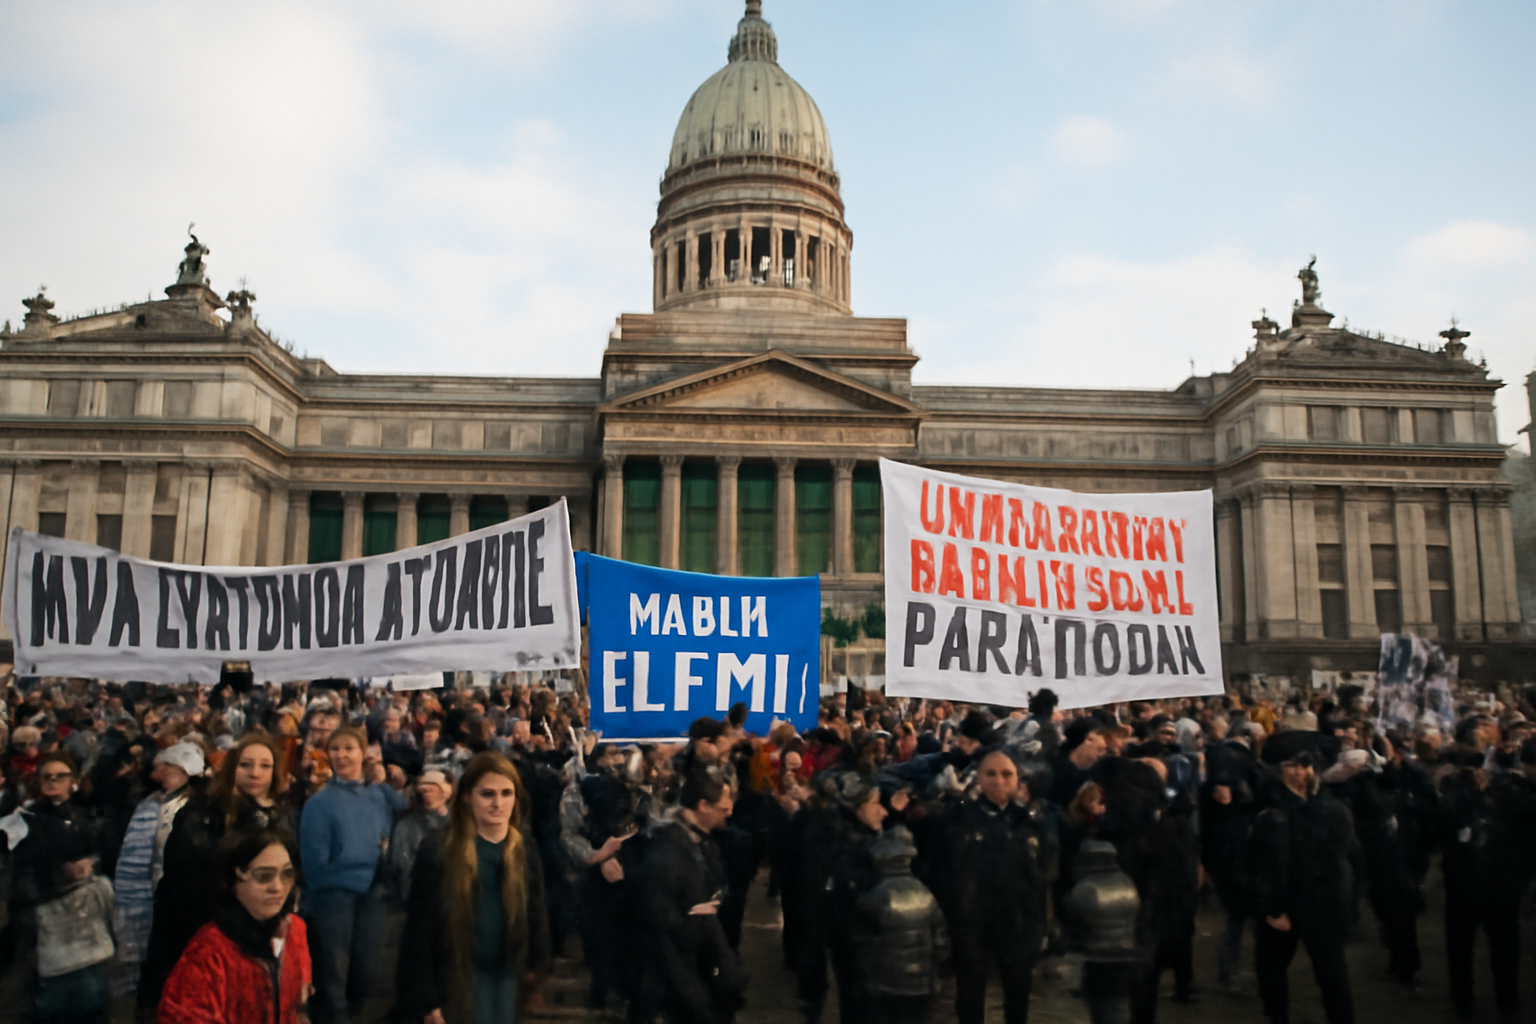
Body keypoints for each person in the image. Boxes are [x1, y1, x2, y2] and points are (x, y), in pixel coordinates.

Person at [398, 751, 551, 1024]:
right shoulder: (438, 850)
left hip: (507, 974)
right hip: (455, 975)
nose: (498, 803)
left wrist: (537, 969)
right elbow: (419, 930)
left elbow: (535, 911)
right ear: (468, 796)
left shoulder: (524, 848)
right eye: (487, 794)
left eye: (506, 793)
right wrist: (426, 999)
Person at [140, 733, 288, 1012]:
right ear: (232, 767)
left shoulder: (275, 816)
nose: (255, 773)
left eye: (265, 766)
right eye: (246, 764)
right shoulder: (202, 811)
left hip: (251, 932)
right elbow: (189, 873)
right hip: (200, 928)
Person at [929, 749, 1056, 1024]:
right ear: (979, 778)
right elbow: (941, 869)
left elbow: (1046, 873)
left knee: (1018, 994)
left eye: (1007, 774)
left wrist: (1041, 923)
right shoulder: (956, 820)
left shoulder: (1032, 822)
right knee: (970, 994)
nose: (998, 781)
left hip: (1018, 923)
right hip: (972, 922)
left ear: (1018, 780)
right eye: (991, 774)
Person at [300, 726, 406, 1024]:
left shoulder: (377, 795)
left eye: (349, 748)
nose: (342, 755)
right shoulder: (320, 803)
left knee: (367, 971)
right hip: (334, 896)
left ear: (363, 753)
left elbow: (407, 807)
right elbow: (314, 861)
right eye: (335, 749)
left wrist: (387, 781)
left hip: (374, 891)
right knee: (332, 974)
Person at [1249, 751, 1362, 1024]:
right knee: (1272, 973)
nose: (1300, 771)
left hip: (1322, 905)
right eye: (1292, 765)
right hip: (1283, 905)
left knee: (1332, 975)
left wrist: (1346, 904)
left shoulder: (1333, 809)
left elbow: (1351, 859)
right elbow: (1259, 864)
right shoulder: (1268, 810)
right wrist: (1273, 908)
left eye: (1306, 766)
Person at [158, 828, 312, 1024]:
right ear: (233, 881)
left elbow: (297, 1009)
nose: (278, 887)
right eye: (264, 876)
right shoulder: (209, 951)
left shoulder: (294, 931)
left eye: (286, 874)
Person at [631, 769, 746, 1024]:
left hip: (696, 973)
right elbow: (661, 927)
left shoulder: (700, 842)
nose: (729, 813)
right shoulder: (667, 854)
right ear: (703, 806)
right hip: (679, 987)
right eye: (723, 808)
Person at [112, 740, 203, 994]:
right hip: (147, 902)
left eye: (168, 767)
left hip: (178, 905)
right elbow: (133, 862)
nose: (159, 773)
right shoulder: (150, 805)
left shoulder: (197, 807)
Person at [387, 767, 453, 904]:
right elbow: (400, 868)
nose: (426, 795)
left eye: (431, 789)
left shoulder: (460, 824)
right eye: (422, 791)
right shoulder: (406, 827)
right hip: (418, 900)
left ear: (446, 792)